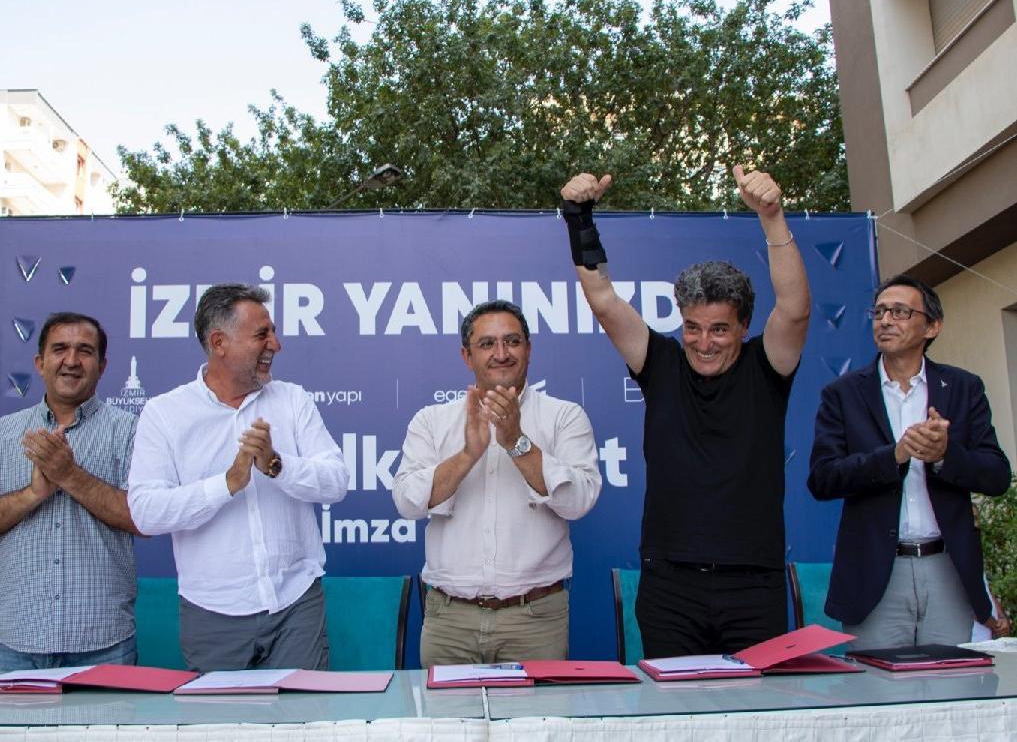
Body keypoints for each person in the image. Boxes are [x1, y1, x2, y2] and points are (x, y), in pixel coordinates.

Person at [559, 167, 810, 657]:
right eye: (692, 327)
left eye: (719, 329)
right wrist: (578, 218)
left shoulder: (767, 366)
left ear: (743, 327)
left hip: (753, 585)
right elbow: (604, 300)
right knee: (673, 703)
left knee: (756, 706)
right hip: (670, 585)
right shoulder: (661, 364)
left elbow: (795, 308)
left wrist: (772, 217)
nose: (703, 342)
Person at [127, 284, 348, 672]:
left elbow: (336, 482)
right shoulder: (164, 414)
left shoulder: (292, 400)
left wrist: (276, 464)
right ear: (219, 343)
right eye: (262, 334)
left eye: (273, 332)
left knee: (306, 711)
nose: (275, 344)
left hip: (295, 604)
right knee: (221, 713)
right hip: (212, 613)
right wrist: (226, 484)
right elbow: (146, 513)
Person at [393, 300, 602, 666]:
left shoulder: (565, 416)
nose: (501, 354)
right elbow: (408, 503)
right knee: (444, 709)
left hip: (535, 619)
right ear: (467, 355)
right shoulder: (431, 420)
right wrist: (467, 456)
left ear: (529, 349)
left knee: (540, 708)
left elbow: (578, 502)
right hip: (449, 621)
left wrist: (516, 442)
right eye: (487, 344)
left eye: (512, 341)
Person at [808, 274, 1011, 648]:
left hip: (947, 568)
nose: (885, 321)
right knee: (879, 683)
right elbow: (823, 479)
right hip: (876, 573)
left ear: (932, 327)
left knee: (948, 680)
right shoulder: (843, 394)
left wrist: (945, 455)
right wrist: (894, 457)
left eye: (900, 312)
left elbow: (997, 475)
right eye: (879, 312)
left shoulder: (963, 388)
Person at [0, 312, 138, 673]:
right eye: (60, 349)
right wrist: (32, 494)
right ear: (40, 363)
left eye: (85, 351)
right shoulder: (1, 434)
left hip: (103, 643)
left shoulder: (130, 431)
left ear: (102, 366)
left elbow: (143, 518)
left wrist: (69, 475)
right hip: (14, 644)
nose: (71, 360)